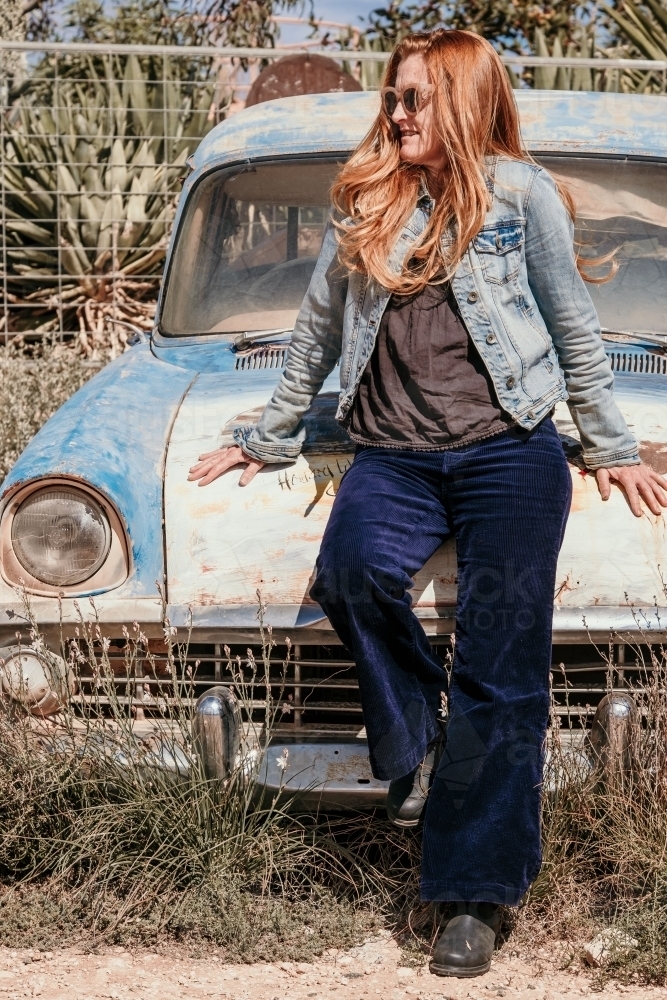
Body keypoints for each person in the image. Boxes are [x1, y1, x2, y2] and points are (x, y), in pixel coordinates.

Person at [189, 29, 667, 978]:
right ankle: (415, 743)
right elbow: (316, 333)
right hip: (394, 455)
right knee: (351, 574)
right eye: (394, 98)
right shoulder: (363, 198)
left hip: (509, 452)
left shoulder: (518, 196)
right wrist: (266, 437)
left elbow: (572, 329)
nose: (397, 114)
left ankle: (471, 898)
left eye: (415, 99)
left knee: (501, 652)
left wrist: (611, 447)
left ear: (462, 103)